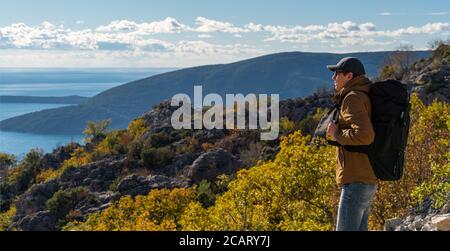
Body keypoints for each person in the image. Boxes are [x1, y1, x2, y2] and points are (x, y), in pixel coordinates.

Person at [326, 57, 378, 231]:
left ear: (349, 76)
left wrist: (337, 134)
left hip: (356, 180)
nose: (333, 78)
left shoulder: (352, 98)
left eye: (337, 74)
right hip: (366, 177)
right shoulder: (363, 94)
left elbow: (365, 135)